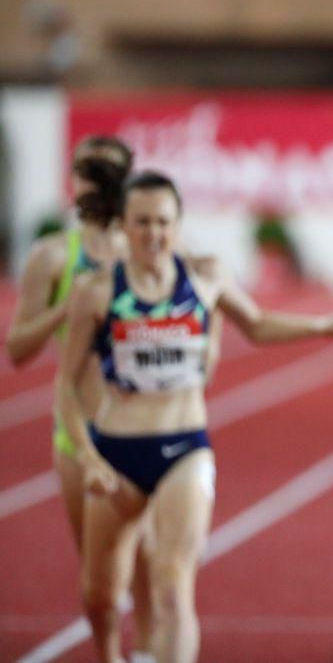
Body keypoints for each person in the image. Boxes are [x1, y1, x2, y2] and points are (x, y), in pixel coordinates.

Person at [57, 170, 333, 663]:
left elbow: (256, 324)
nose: (153, 234)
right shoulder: (97, 293)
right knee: (100, 597)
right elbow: (67, 386)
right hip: (115, 453)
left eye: (163, 222)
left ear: (178, 224)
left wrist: (322, 325)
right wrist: (88, 458)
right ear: (124, 226)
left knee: (174, 586)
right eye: (141, 223)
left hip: (183, 449)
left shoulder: (204, 275)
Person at [4, 136, 180, 659]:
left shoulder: (146, 249)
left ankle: (149, 651)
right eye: (85, 171)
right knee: (101, 584)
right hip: (79, 432)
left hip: (142, 425)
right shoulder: (54, 255)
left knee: (149, 560)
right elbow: (17, 350)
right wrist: (72, 308)